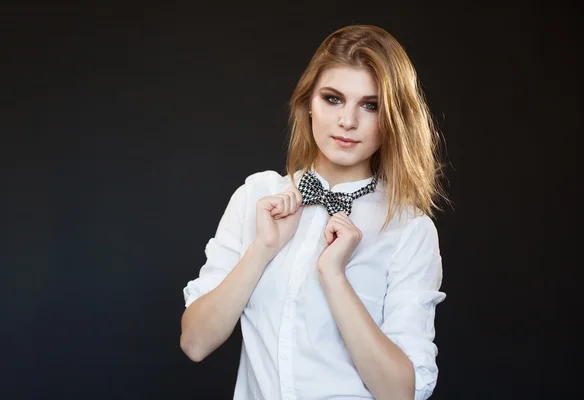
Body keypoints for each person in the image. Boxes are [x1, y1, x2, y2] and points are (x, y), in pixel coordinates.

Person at [180, 24, 448, 400]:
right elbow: (195, 342)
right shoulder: (256, 196)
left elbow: (400, 392)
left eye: (370, 105)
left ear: (392, 120)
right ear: (308, 103)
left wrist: (334, 276)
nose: (348, 121)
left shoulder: (407, 229)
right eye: (333, 98)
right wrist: (263, 249)